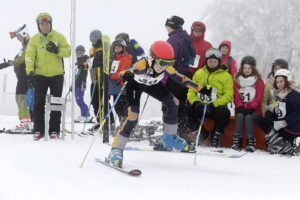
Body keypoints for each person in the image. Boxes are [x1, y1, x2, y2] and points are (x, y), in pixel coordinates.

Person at [107, 41, 201, 167]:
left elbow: (181, 78)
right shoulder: (142, 64)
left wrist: (201, 89)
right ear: (152, 58)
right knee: (132, 117)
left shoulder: (166, 66)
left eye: (169, 63)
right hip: (135, 86)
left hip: (152, 85)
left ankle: (169, 138)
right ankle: (116, 150)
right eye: (162, 63)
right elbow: (123, 72)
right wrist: (126, 75)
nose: (164, 67)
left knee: (173, 102)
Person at [25, 13, 71, 140]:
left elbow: (68, 51)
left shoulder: (59, 36)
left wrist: (57, 50)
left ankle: (54, 131)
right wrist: (30, 73)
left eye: (47, 24)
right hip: (40, 75)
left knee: (56, 103)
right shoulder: (34, 40)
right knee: (38, 103)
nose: (44, 26)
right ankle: (38, 130)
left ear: (51, 24)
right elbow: (29, 57)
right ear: (38, 25)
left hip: (57, 75)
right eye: (42, 24)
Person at [187, 48, 233, 148]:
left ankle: (215, 136)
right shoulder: (199, 73)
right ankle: (202, 134)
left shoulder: (226, 76)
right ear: (206, 61)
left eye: (215, 62)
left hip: (215, 107)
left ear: (219, 62)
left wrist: (214, 104)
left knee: (224, 112)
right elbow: (191, 90)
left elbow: (229, 94)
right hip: (200, 105)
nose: (212, 63)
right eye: (210, 61)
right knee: (186, 110)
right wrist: (196, 103)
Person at [257, 69, 300, 156]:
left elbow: (297, 113)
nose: (279, 84)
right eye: (277, 82)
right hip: (285, 126)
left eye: (281, 81)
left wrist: (284, 122)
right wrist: (274, 110)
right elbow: (285, 109)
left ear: (288, 81)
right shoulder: (282, 94)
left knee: (264, 122)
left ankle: (284, 145)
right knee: (264, 118)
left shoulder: (294, 95)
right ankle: (280, 143)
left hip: (292, 128)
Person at [0, 24, 32, 132]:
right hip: (23, 75)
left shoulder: (29, 45)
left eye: (18, 37)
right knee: (20, 97)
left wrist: (9, 63)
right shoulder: (25, 45)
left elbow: (22, 59)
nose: (18, 39)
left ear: (24, 34)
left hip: (25, 75)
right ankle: (26, 122)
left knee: (20, 97)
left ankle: (26, 124)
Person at [231, 56, 264, 152]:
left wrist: (252, 107)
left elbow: (259, 96)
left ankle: (250, 142)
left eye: (249, 68)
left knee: (248, 117)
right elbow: (236, 95)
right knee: (240, 116)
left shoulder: (259, 81)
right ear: (242, 68)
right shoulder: (237, 80)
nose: (247, 70)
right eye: (245, 68)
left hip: (254, 110)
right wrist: (240, 106)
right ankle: (237, 141)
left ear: (253, 68)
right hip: (241, 108)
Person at [109, 38, 132, 123]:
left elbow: (122, 73)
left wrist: (112, 75)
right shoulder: (116, 59)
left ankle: (127, 125)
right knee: (118, 108)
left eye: (119, 47)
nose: (117, 49)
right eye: (115, 48)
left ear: (123, 48)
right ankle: (123, 124)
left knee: (121, 107)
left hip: (122, 87)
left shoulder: (125, 58)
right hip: (116, 88)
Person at [74, 45, 91, 122]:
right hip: (76, 84)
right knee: (78, 100)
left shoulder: (84, 61)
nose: (78, 54)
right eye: (77, 52)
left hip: (80, 84)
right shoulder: (78, 62)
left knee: (79, 100)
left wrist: (83, 83)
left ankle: (86, 115)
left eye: (80, 52)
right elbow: (76, 75)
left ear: (83, 53)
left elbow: (85, 74)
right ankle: (84, 114)